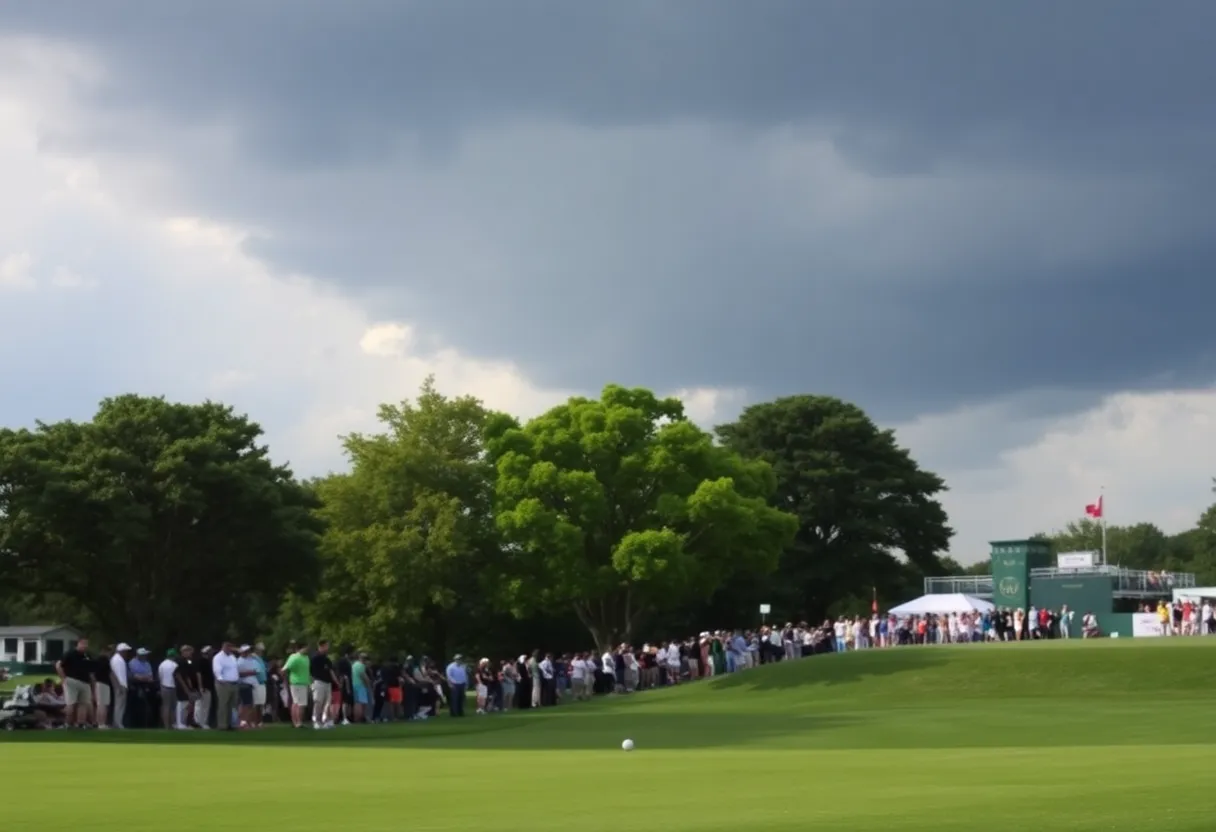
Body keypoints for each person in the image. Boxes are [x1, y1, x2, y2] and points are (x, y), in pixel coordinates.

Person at [56, 637, 94, 728]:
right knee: (71, 703)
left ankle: (81, 723)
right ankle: (68, 723)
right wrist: (64, 678)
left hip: (85, 682)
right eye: (83, 644)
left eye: (86, 644)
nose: (85, 646)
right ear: (78, 644)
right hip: (72, 680)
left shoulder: (86, 656)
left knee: (83, 703)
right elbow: (58, 665)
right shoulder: (70, 654)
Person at [283, 643, 311, 728]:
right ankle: (298, 722)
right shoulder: (294, 657)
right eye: (305, 648)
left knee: (297, 703)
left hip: (304, 682)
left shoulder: (306, 657)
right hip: (297, 683)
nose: (307, 650)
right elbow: (285, 669)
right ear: (300, 648)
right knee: (299, 704)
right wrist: (286, 681)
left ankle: (297, 722)